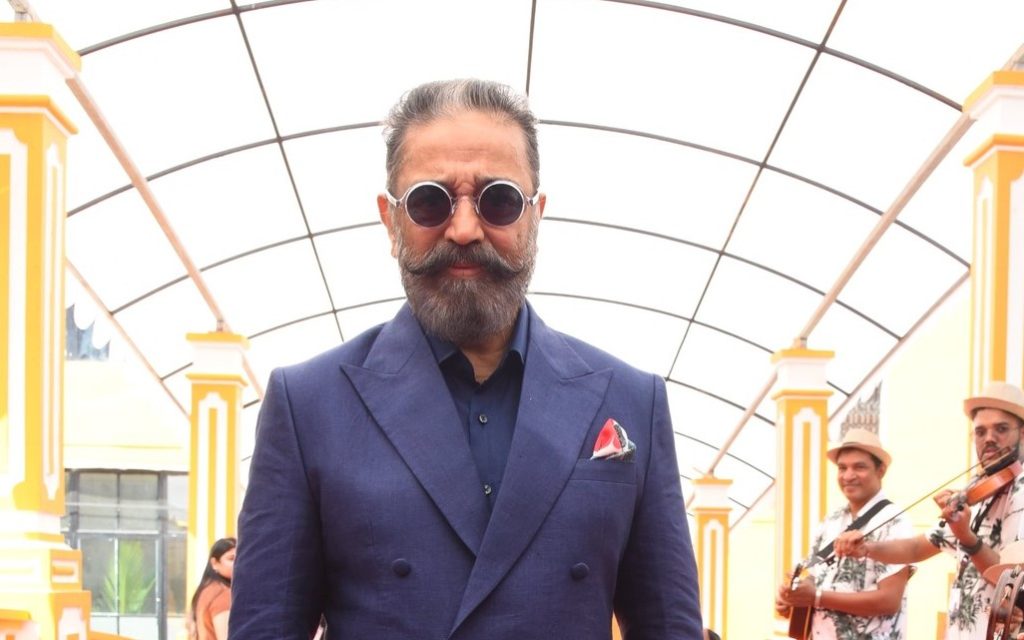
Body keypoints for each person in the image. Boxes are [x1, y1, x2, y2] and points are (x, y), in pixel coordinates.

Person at [229, 79, 703, 639]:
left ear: (535, 215)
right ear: (390, 220)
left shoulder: (632, 401)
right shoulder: (309, 406)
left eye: (497, 200)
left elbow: (669, 627)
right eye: (430, 201)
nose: (463, 228)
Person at [834, 381, 1024, 639]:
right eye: (980, 432)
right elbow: (916, 548)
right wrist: (867, 548)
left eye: (1001, 429)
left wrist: (966, 537)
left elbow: (1012, 580)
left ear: (1022, 433)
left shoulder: (1020, 491)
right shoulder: (975, 489)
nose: (989, 438)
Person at [774, 428, 912, 638]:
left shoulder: (894, 520)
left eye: (859, 467)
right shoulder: (831, 520)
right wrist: (793, 597)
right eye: (842, 468)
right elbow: (816, 577)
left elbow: (889, 600)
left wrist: (816, 597)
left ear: (881, 470)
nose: (848, 476)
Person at [190, 537, 236, 640]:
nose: (237, 564)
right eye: (231, 559)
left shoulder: (205, 590)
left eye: (240, 558)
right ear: (214, 563)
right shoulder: (222, 594)